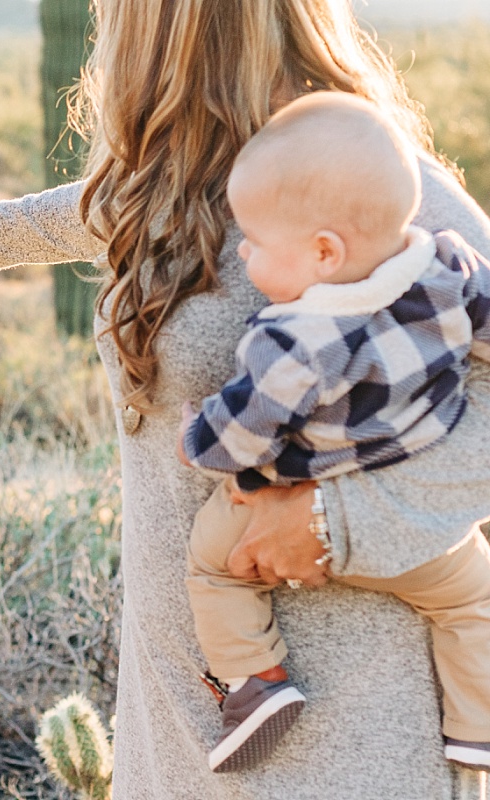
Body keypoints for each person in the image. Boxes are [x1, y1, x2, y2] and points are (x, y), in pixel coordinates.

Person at [0, 0, 490, 796]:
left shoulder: (350, 171)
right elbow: (82, 213)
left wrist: (338, 523)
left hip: (346, 726)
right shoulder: (163, 174)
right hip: (182, 705)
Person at [172, 92, 490, 773]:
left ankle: (255, 682)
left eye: (254, 242)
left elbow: (244, 437)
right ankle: (477, 726)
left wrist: (194, 436)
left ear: (323, 251)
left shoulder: (294, 339)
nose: (246, 253)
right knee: (475, 600)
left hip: (289, 513)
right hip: (416, 528)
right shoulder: (451, 269)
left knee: (211, 567)